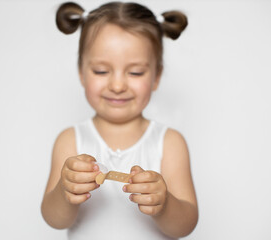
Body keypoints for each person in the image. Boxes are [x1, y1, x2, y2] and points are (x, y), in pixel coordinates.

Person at [41, 2, 198, 239]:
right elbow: (54, 219)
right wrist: (65, 191)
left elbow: (185, 227)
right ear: (81, 72)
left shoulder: (169, 143)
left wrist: (164, 203)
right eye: (101, 71)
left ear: (157, 76)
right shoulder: (70, 140)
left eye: (135, 72)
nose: (117, 86)